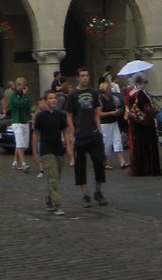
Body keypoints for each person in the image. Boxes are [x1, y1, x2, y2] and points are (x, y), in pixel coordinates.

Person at [66, 67, 108, 206]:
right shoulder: (72, 95)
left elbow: (96, 112)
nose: (85, 78)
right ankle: (85, 194)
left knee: (100, 162)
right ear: (78, 78)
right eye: (82, 76)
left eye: (87, 75)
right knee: (80, 166)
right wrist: (74, 132)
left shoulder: (93, 93)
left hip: (94, 134)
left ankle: (98, 191)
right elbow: (69, 116)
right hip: (80, 135)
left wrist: (99, 129)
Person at [32, 89, 69, 215]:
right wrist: (35, 153)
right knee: (52, 178)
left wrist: (69, 148)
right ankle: (57, 205)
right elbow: (36, 135)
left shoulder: (60, 115)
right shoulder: (41, 117)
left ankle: (49, 198)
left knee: (56, 178)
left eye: (55, 98)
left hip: (58, 149)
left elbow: (65, 132)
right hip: (47, 151)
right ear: (46, 100)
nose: (53, 100)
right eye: (50, 98)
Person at [125, 75, 161, 176]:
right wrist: (154, 112)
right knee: (146, 146)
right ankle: (148, 168)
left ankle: (138, 168)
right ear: (141, 83)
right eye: (145, 82)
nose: (145, 85)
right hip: (145, 124)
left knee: (137, 146)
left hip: (134, 123)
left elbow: (128, 107)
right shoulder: (141, 94)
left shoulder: (129, 93)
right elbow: (148, 109)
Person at [98, 81, 127, 168]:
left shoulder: (112, 98)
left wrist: (118, 111)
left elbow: (116, 106)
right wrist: (111, 113)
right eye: (108, 88)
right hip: (105, 124)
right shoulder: (100, 99)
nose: (110, 90)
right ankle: (104, 161)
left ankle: (122, 161)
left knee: (117, 140)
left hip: (114, 122)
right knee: (106, 143)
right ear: (104, 90)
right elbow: (99, 113)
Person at [9, 77, 32, 171]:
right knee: (20, 143)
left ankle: (15, 161)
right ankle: (23, 163)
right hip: (17, 122)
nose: (24, 88)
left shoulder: (25, 96)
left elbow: (27, 106)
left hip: (24, 121)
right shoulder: (13, 95)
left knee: (23, 144)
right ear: (18, 86)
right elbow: (19, 104)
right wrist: (24, 96)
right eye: (22, 86)